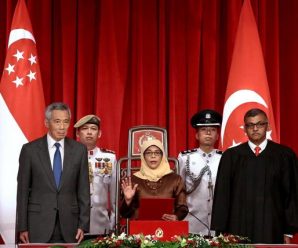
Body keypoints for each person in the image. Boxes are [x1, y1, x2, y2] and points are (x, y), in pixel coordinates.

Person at [211, 108, 298, 244]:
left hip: (273, 227)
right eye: (250, 125)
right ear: (244, 128)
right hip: (238, 227)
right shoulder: (231, 156)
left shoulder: (285, 156)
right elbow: (223, 194)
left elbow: (291, 194)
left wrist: (289, 231)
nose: (255, 129)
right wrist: (220, 231)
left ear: (267, 126)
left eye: (260, 124)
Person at [16, 102, 90, 243]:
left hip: (70, 225)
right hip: (37, 225)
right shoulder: (29, 150)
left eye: (66, 122)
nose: (62, 127)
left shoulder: (79, 150)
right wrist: (22, 227)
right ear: (46, 122)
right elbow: (22, 191)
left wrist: (83, 225)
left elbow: (84, 190)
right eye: (57, 122)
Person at [120, 139, 188, 221]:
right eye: (148, 153)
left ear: (162, 156)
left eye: (157, 153)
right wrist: (127, 200)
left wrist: (176, 217)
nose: (153, 156)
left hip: (168, 229)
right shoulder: (133, 180)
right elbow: (124, 214)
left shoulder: (175, 179)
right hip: (140, 230)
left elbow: (182, 207)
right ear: (143, 156)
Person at [178, 109, 222, 236]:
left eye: (213, 129)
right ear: (197, 135)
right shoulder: (185, 158)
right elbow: (179, 188)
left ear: (217, 136)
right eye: (203, 129)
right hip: (192, 221)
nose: (208, 133)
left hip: (217, 223)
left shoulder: (224, 158)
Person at [74, 115, 117, 235]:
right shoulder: (67, 158)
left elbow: (114, 198)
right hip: (72, 223)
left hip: (100, 224)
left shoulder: (109, 158)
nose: (89, 132)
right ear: (78, 133)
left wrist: (113, 225)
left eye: (93, 128)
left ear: (99, 134)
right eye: (84, 128)